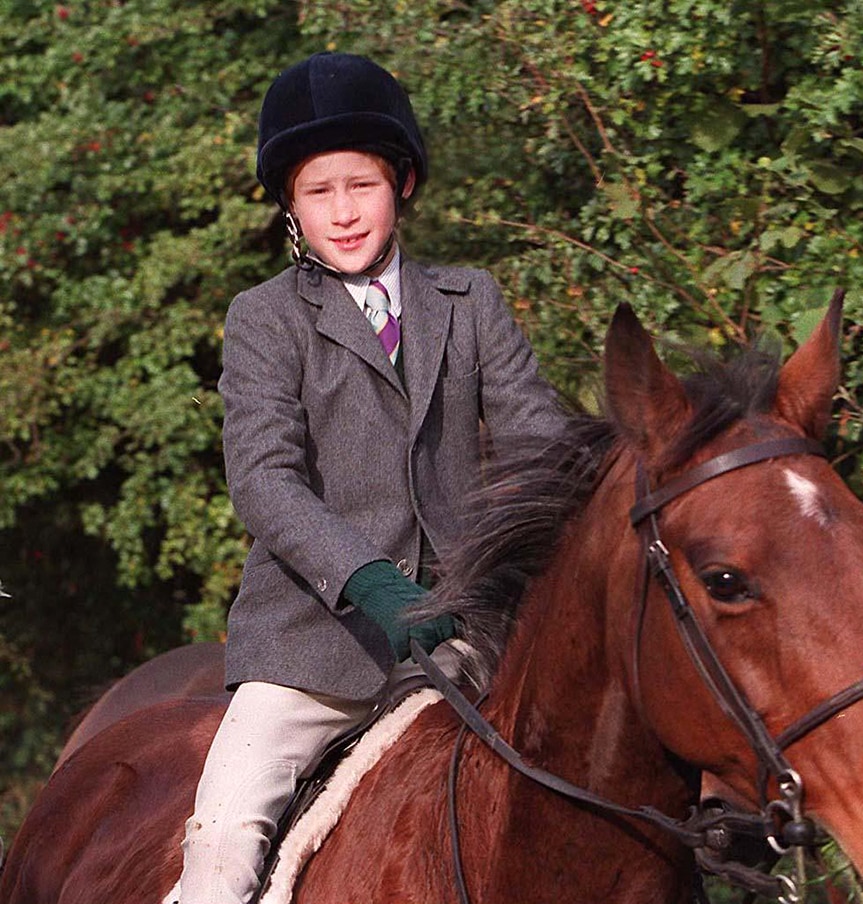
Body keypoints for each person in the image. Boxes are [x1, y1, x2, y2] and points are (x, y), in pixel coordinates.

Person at [166, 51, 566, 904]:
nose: (344, 214)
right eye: (320, 192)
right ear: (291, 206)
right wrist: (370, 580)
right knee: (223, 843)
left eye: (362, 186)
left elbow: (541, 446)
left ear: (404, 184)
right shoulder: (264, 319)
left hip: (465, 641)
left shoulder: (470, 302)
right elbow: (264, 478)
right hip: (314, 650)